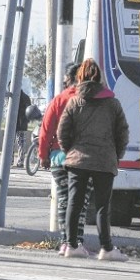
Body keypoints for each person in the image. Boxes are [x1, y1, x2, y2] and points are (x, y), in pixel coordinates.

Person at [57, 59, 130, 261]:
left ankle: (72, 245)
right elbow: (123, 133)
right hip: (104, 161)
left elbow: (62, 132)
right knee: (102, 207)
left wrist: (71, 151)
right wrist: (116, 155)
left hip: (77, 161)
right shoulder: (113, 104)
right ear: (99, 78)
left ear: (79, 77)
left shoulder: (74, 102)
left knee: (74, 203)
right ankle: (106, 248)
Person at [40, 63, 93, 255]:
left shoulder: (59, 99)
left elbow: (46, 130)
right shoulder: (92, 101)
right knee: (81, 203)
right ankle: (77, 242)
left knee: (64, 200)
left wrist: (43, 156)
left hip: (59, 158)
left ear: (69, 79)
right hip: (85, 159)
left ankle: (66, 243)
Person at [13, 89, 31, 168]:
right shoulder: (26, 97)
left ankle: (10, 160)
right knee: (21, 144)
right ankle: (20, 161)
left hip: (15, 123)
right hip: (22, 124)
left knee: (11, 142)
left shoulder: (13, 97)